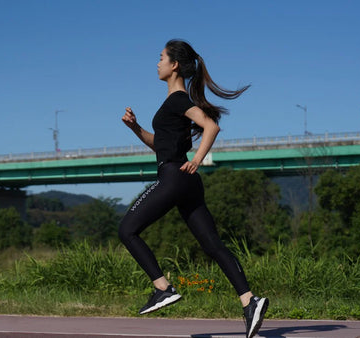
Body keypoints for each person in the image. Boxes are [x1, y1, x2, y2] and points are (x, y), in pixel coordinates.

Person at [118, 39, 268, 338]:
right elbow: (159, 145)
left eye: (161, 58)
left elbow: (211, 125)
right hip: (186, 181)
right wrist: (135, 128)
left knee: (126, 230)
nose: (157, 63)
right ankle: (250, 301)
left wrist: (198, 158)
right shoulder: (174, 103)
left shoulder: (177, 100)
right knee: (212, 245)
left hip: (175, 175)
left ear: (174, 65)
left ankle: (163, 288)